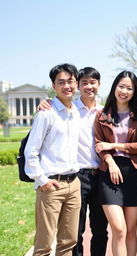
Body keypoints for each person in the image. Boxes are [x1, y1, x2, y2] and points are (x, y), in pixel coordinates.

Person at [37, 67, 108, 256]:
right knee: (74, 231)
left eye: (93, 82)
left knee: (100, 229)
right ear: (79, 85)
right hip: (78, 176)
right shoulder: (69, 109)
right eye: (84, 82)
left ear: (99, 85)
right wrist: (45, 103)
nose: (88, 86)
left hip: (101, 175)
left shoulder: (105, 112)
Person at [24, 63, 81, 256]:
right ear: (53, 85)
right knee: (44, 244)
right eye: (61, 82)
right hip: (51, 186)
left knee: (69, 241)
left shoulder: (76, 113)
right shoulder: (46, 114)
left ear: (77, 83)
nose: (67, 86)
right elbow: (31, 151)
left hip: (74, 184)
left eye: (71, 81)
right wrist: (42, 181)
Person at [93, 70, 137, 256]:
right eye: (121, 86)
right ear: (115, 87)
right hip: (109, 174)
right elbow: (99, 144)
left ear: (135, 92)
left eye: (129, 88)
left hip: (134, 174)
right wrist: (110, 162)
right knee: (119, 229)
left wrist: (116, 145)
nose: (124, 91)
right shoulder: (102, 115)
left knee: (131, 232)